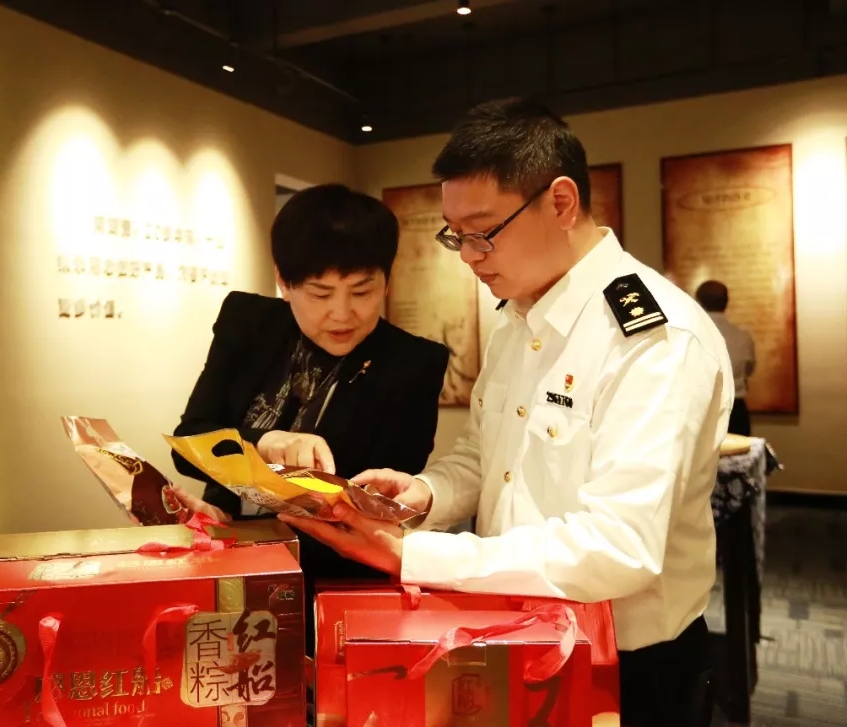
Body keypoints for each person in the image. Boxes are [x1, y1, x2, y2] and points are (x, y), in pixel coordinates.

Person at [281, 99, 734, 727]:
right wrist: (423, 495)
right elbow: (488, 456)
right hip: (513, 632)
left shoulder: (653, 339)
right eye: (455, 235)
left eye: (483, 231)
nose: (468, 255)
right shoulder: (517, 320)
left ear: (561, 203)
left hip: (624, 665)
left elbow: (620, 547)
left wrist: (414, 555)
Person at [169, 182, 450, 638]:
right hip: (229, 565)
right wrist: (263, 444)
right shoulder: (249, 323)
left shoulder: (414, 363)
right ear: (284, 280)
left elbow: (383, 503)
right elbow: (188, 443)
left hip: (338, 586)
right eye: (320, 294)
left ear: (387, 279)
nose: (342, 313)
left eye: (362, 291)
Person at [696, 280, 756, 435]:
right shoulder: (743, 336)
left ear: (698, 302)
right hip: (736, 409)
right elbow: (749, 369)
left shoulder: (693, 334)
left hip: (703, 409)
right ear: (726, 302)